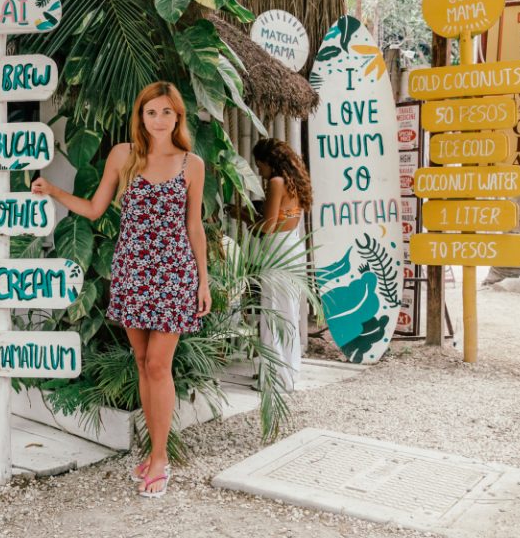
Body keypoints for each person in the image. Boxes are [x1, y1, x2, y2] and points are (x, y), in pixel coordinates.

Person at [31, 81, 208, 499]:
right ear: (140, 116)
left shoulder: (191, 164)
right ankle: (152, 451)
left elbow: (194, 226)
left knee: (160, 366)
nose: (159, 119)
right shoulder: (123, 156)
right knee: (143, 362)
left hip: (173, 275)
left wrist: (203, 280)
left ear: (177, 116)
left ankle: (161, 458)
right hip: (131, 272)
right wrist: (54, 191)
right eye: (151, 112)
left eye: (167, 112)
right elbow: (94, 209)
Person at [251, 138, 312, 393]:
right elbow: (284, 219)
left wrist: (244, 216)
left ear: (268, 161)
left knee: (272, 311)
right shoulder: (294, 182)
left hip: (277, 250)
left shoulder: (276, 183)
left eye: (259, 165)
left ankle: (273, 378)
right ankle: (287, 373)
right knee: (287, 313)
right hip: (292, 248)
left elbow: (268, 226)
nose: (259, 171)